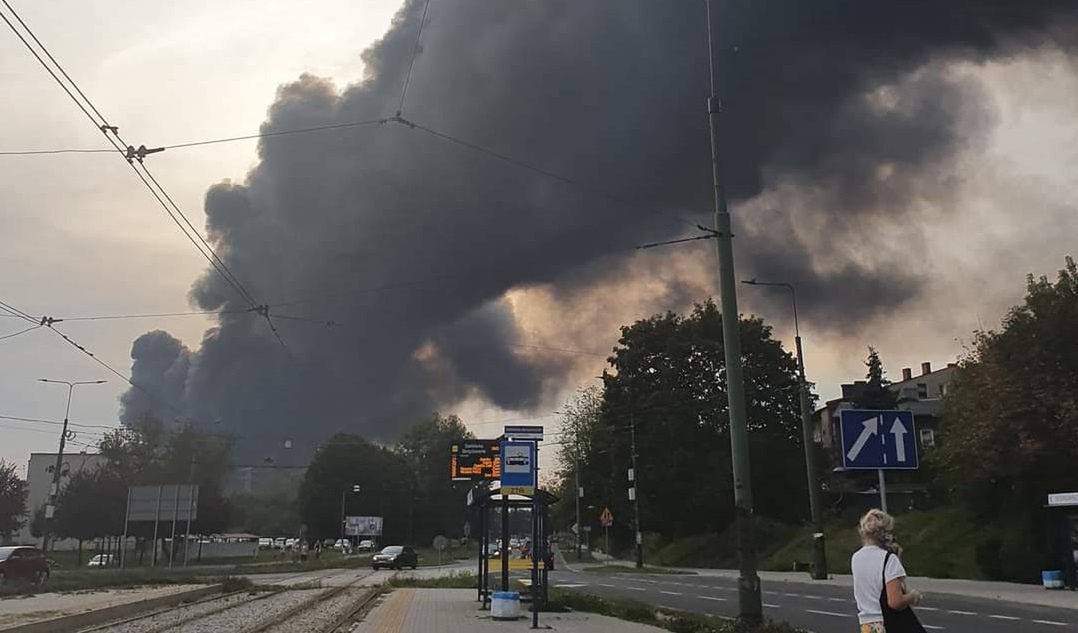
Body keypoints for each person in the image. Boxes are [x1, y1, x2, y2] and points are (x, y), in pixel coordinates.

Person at [851, 509, 924, 632]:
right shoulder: (889, 559)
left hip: (867, 626)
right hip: (888, 624)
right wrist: (913, 596)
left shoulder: (856, 558)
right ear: (886, 534)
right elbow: (895, 602)